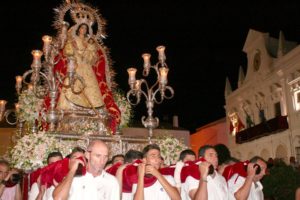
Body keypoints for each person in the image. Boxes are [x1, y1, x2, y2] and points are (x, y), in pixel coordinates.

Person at [53, 140, 120, 200]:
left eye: (105, 157)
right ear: (87, 155)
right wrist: (72, 171)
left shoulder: (112, 181)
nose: (102, 161)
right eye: (98, 156)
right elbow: (58, 198)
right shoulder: (74, 177)